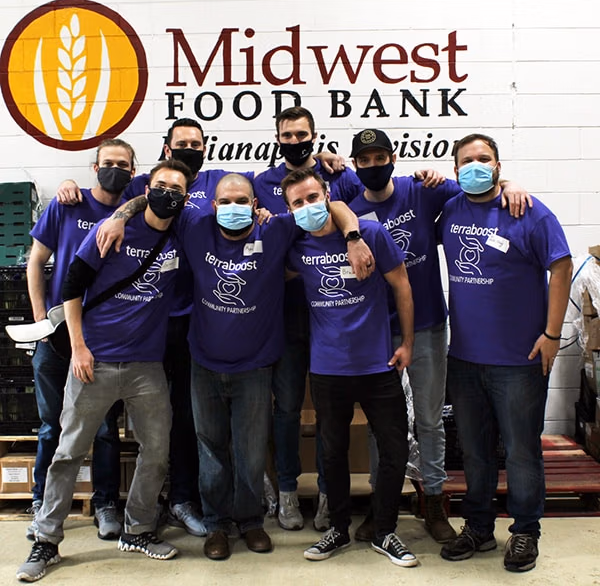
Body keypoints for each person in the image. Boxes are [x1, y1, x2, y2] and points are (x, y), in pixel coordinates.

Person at [92, 170, 373, 561]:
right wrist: (119, 216)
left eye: (242, 201)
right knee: (211, 452)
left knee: (251, 452)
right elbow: (151, 197)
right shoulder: (195, 227)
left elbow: (334, 205)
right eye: (225, 201)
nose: (233, 207)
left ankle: (251, 522)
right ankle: (217, 524)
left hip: (255, 367)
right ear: (212, 205)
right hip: (204, 364)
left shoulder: (275, 231)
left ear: (255, 205)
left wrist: (354, 238)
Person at [254, 107, 444, 533]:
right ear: (277, 138)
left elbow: (342, 207)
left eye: (302, 134)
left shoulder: (341, 182)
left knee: (392, 427)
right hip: (295, 326)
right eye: (287, 134)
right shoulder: (263, 186)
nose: (294, 140)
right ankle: (291, 494)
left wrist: (354, 236)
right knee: (290, 413)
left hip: (366, 336)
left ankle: (350, 502)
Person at [347, 128, 532, 543]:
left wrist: (509, 183)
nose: (374, 166)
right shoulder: (352, 212)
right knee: (381, 426)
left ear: (393, 158)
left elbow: (478, 187)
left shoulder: (421, 191)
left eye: (380, 158)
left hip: (427, 324)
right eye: (366, 160)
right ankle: (382, 505)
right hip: (377, 332)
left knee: (431, 421)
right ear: (356, 164)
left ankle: (433, 501)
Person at [16, 159, 193, 582]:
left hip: (146, 366)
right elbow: (72, 287)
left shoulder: (182, 234)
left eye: (176, 189)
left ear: (185, 198)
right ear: (145, 189)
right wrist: (79, 348)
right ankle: (47, 539)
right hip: (94, 362)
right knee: (69, 452)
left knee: (157, 451)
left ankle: (138, 529)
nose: (167, 194)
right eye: (160, 185)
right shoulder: (110, 230)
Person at [437, 133, 572, 572]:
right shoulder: (451, 208)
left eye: (485, 158)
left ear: (498, 165)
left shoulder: (528, 210)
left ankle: (526, 531)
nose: (476, 166)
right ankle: (478, 526)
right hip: (465, 358)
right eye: (467, 160)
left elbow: (561, 266)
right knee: (474, 451)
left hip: (519, 360)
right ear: (456, 169)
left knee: (520, 451)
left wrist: (552, 334)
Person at [282, 167, 418, 568]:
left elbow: (402, 285)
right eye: (297, 203)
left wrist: (407, 343)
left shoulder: (370, 234)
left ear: (327, 195)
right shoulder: (296, 246)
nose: (307, 207)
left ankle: (385, 531)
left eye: (312, 198)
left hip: (378, 364)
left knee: (393, 449)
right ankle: (338, 528)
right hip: (328, 369)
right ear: (290, 209)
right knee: (332, 453)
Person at [25, 139, 136, 542]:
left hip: (101, 340)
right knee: (51, 426)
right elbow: (36, 261)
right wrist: (41, 319)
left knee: (104, 428)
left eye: (123, 165)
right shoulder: (66, 205)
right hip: (56, 335)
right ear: (94, 167)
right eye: (108, 163)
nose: (114, 170)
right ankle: (41, 503)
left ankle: (105, 504)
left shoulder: (133, 214)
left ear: (133, 172)